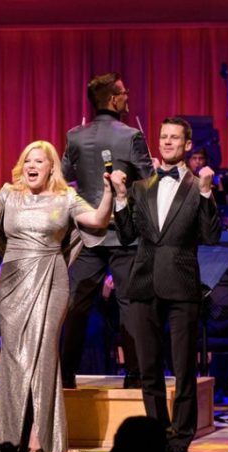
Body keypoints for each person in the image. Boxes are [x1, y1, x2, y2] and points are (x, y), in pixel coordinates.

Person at [0, 140, 120, 452]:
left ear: (50, 168)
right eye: (27, 159)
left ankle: (41, 438)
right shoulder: (8, 194)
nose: (32, 165)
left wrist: (109, 192)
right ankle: (7, 440)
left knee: (45, 356)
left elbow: (98, 222)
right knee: (14, 357)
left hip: (51, 278)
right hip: (14, 282)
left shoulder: (66, 197)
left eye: (39, 161)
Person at [112, 117, 220, 452]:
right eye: (164, 136)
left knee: (185, 369)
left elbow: (211, 236)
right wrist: (120, 197)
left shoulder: (196, 184)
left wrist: (206, 193)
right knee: (149, 369)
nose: (168, 141)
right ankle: (157, 437)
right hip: (144, 284)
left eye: (175, 137)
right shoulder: (142, 186)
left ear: (188, 145)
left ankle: (180, 441)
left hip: (182, 285)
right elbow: (127, 235)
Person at [60, 72, 154, 390]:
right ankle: (136, 376)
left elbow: (62, 177)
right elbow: (148, 184)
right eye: (124, 93)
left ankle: (66, 375)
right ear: (114, 99)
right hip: (124, 234)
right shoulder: (131, 137)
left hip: (88, 232)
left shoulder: (75, 135)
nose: (128, 97)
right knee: (130, 302)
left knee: (76, 304)